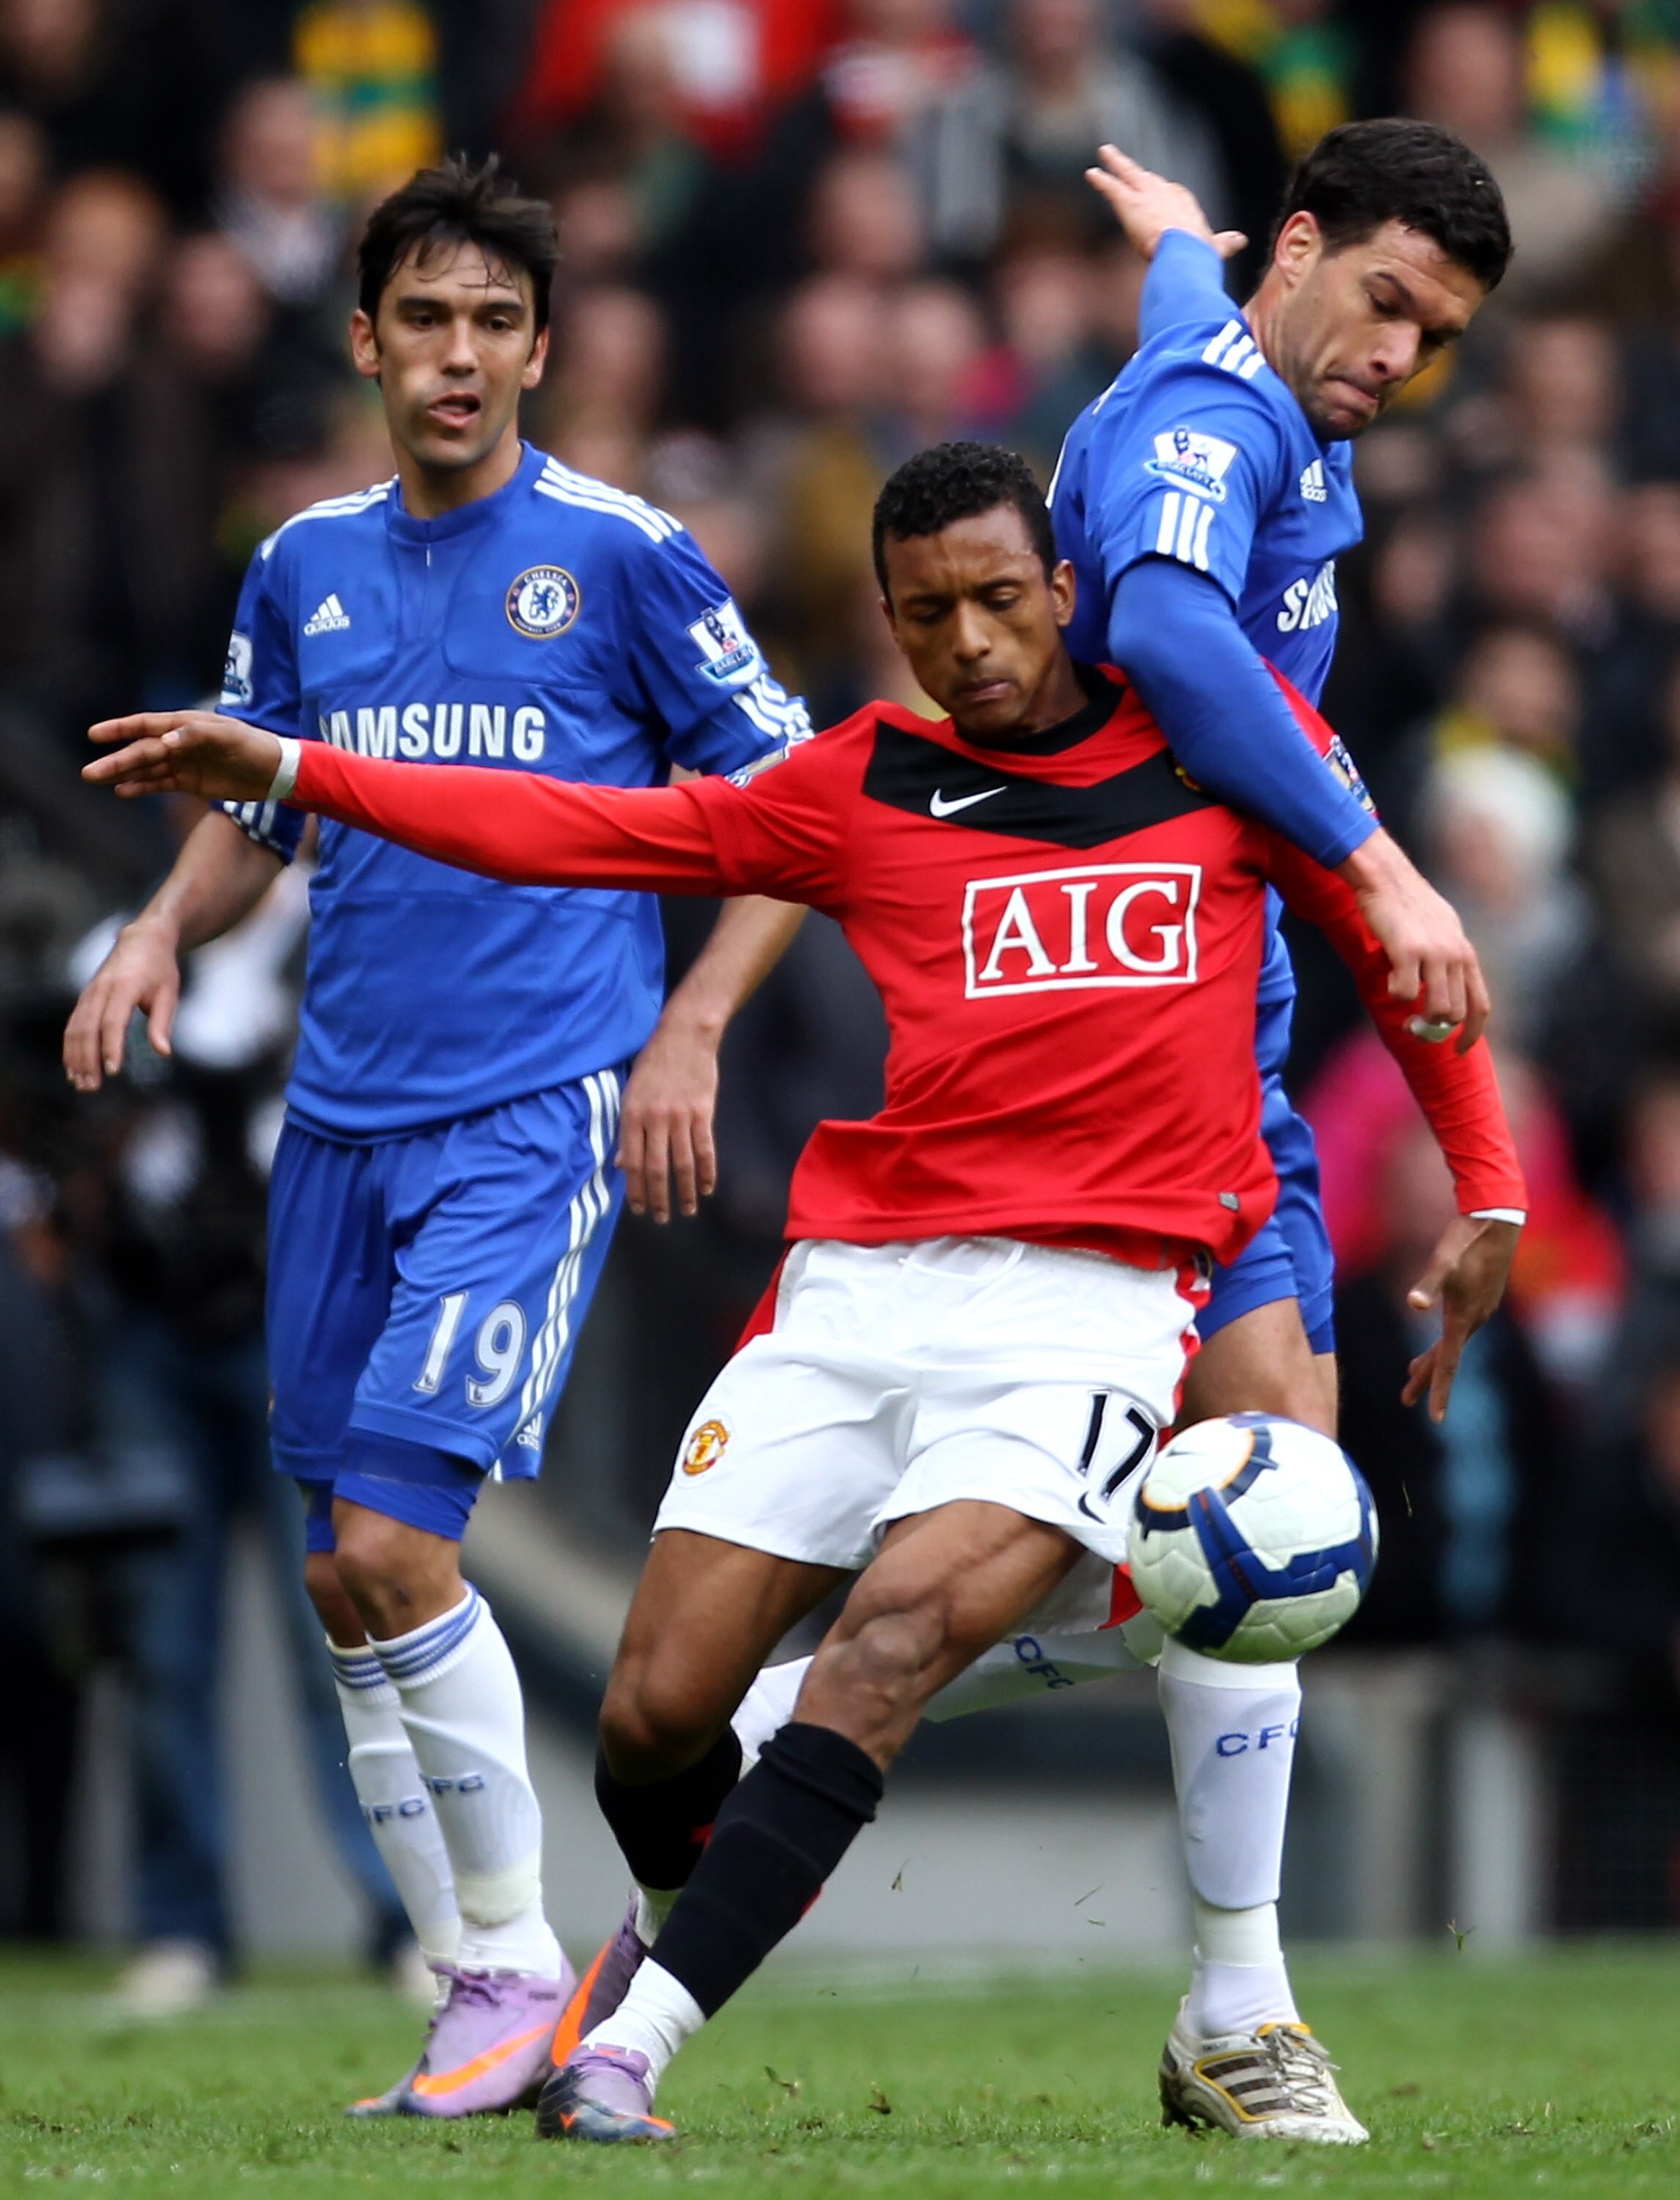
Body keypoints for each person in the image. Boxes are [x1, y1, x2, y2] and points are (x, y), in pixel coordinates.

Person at [81, 441, 1527, 2147]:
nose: (971, 641)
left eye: (1000, 599)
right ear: (891, 624)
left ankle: (632, 2045)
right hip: (852, 1298)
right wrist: (305, 773)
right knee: (654, 1718)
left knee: (895, 1640)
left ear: (1068, 586)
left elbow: (1399, 949)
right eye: (929, 616)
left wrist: (1487, 1183)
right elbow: (589, 828)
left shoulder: (1215, 760)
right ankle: (782, 1838)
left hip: (1086, 1309)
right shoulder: (859, 781)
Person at [62, 154, 809, 2119]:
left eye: (495, 323)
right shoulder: (302, 563)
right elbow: (259, 806)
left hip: (526, 1116)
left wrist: (689, 1030)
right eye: (425, 320)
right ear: (368, 339)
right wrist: (155, 927)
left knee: (402, 1535)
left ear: (541, 348)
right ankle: (480, 1991)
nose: (458, 355)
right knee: (339, 1575)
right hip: (338, 1126)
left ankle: (509, 1969)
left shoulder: (629, 556)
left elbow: (795, 809)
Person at [1027, 120, 1524, 2114]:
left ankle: (1232, 2018)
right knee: (999, 1571)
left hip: (1210, 1061)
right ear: (1302, 249)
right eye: (1385, 299)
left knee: (1280, 1509)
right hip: (1063, 1049)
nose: (1400, 352)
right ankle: (782, 1730)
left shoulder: (1251, 383)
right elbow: (1155, 629)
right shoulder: (1212, 436)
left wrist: (1167, 242)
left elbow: (1190, 314)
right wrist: (1374, 855)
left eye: (1439, 333)